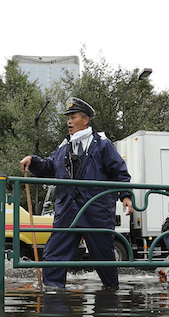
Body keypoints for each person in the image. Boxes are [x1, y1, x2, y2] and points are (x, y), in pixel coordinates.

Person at [20, 97, 134, 288]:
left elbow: (119, 172)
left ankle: (111, 293)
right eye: (68, 118)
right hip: (67, 211)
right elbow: (50, 166)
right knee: (54, 254)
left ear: (86, 119)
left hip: (95, 210)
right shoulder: (65, 146)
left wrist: (126, 196)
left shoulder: (102, 144)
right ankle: (53, 296)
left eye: (73, 117)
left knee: (104, 257)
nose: (69, 122)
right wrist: (34, 160)